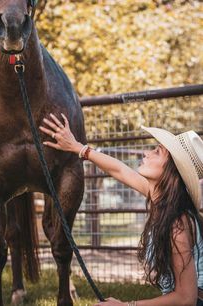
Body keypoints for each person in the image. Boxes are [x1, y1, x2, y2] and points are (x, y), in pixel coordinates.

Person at [39, 113, 203, 306]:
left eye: (157, 152)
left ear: (172, 172)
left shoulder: (177, 224)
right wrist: (78, 147)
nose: (146, 154)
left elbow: (186, 299)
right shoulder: (162, 199)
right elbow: (120, 170)